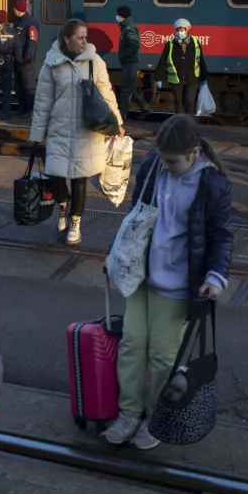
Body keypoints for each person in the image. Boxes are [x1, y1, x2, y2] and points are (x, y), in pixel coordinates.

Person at [100, 114, 233, 450]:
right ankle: (129, 413)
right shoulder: (154, 167)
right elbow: (137, 218)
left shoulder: (213, 184)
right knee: (132, 346)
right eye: (162, 158)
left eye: (172, 161)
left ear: (194, 154)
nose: (166, 165)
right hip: (143, 277)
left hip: (177, 286)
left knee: (162, 356)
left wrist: (216, 277)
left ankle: (154, 418)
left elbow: (221, 236)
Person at [29, 19, 124, 246]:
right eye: (80, 37)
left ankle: (75, 222)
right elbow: (43, 101)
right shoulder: (51, 64)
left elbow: (107, 94)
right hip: (59, 128)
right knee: (56, 176)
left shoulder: (95, 62)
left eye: (85, 37)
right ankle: (63, 207)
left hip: (86, 131)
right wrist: (37, 133)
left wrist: (117, 123)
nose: (85, 42)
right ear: (66, 39)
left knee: (80, 178)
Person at [155, 19, 208, 115]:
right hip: (176, 77)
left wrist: (204, 77)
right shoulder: (170, 43)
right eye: (178, 30)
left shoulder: (194, 42)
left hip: (192, 77)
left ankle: (190, 122)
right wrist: (158, 78)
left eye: (182, 30)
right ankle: (180, 123)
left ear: (187, 30)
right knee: (178, 102)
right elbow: (163, 60)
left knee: (189, 101)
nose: (180, 32)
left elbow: (200, 60)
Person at [116, 6, 151, 121]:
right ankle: (145, 108)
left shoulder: (129, 29)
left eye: (118, 15)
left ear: (122, 16)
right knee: (129, 88)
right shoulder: (126, 27)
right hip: (129, 62)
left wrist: (123, 55)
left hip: (130, 62)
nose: (116, 17)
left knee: (126, 90)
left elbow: (134, 46)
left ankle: (122, 115)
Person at [12, 0, 39, 117]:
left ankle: (30, 110)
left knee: (28, 86)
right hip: (18, 60)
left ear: (18, 10)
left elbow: (32, 41)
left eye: (14, 9)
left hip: (26, 61)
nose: (13, 10)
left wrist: (27, 57)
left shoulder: (30, 23)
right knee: (19, 85)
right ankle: (22, 108)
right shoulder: (18, 22)